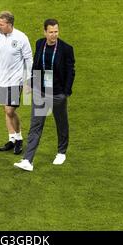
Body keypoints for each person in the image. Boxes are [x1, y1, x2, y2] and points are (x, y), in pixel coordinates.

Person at [14, 19, 75, 171]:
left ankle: (61, 152)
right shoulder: (40, 43)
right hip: (41, 91)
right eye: (51, 32)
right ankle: (28, 160)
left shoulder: (66, 49)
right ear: (45, 32)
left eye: (56, 32)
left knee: (61, 123)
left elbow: (70, 71)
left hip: (57, 93)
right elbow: (36, 65)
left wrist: (66, 92)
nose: (54, 35)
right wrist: (31, 82)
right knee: (36, 125)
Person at [0, 11, 33, 155]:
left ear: (9, 25)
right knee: (5, 110)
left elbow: (29, 59)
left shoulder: (21, 38)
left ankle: (19, 138)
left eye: (1, 25)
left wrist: (29, 80)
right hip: (1, 80)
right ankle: (12, 139)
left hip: (16, 80)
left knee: (10, 110)